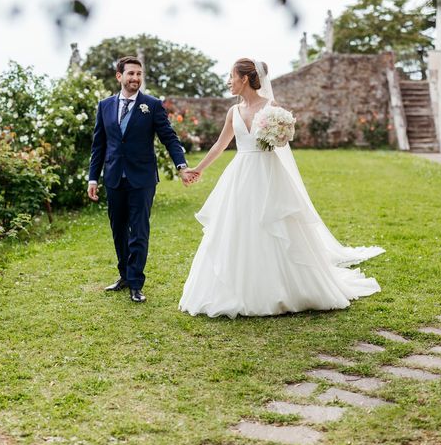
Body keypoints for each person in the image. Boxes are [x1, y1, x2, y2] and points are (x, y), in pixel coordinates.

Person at [179, 58, 384, 318]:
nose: (229, 81)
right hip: (241, 174)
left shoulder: (272, 108)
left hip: (268, 173)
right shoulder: (234, 112)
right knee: (238, 226)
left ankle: (288, 287)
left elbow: (281, 143)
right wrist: (199, 168)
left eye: (231, 76)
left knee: (276, 225)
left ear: (244, 79)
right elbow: (220, 145)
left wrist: (279, 134)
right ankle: (238, 287)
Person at [88, 56, 199, 303]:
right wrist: (92, 178)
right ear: (119, 76)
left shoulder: (152, 105)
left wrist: (181, 165)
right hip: (114, 176)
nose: (135, 78)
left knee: (138, 230)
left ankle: (136, 283)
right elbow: (99, 145)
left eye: (139, 74)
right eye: (131, 74)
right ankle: (124, 276)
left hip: (142, 179)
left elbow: (169, 138)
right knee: (118, 229)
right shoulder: (104, 106)